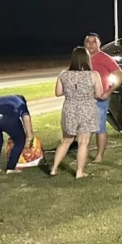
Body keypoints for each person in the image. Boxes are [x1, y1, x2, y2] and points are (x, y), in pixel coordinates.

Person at [50, 47, 104, 178]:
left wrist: (70, 92)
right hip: (87, 109)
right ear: (87, 59)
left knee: (66, 140)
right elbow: (99, 94)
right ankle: (79, 172)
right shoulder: (94, 75)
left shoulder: (64, 74)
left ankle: (54, 168)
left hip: (69, 109)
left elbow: (57, 92)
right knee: (83, 142)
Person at [84, 32, 122, 163]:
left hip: (99, 99)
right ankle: (83, 152)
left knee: (99, 128)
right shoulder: (82, 58)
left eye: (94, 41)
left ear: (99, 44)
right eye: (88, 42)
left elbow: (120, 75)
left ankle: (99, 156)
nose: (91, 44)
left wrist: (109, 91)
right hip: (84, 99)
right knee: (84, 128)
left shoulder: (105, 58)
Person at [0, 95, 34, 174]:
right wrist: (29, 135)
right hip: (10, 119)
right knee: (19, 140)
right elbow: (26, 118)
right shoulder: (21, 103)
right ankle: (10, 167)